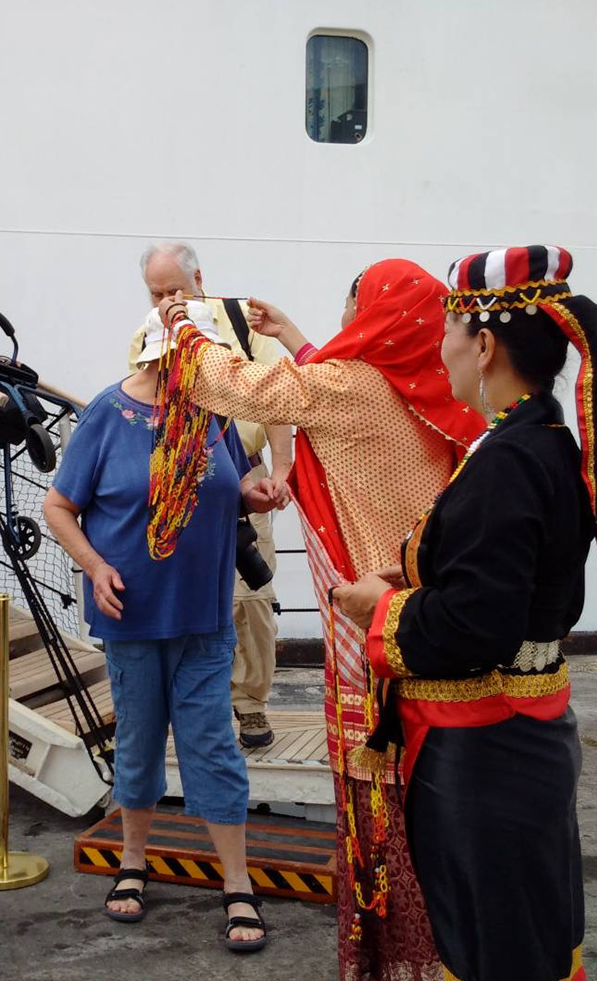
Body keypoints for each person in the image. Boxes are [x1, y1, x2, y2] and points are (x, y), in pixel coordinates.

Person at [158, 260, 484, 980]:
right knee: (433, 789)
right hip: (432, 614)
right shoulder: (432, 390)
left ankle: (397, 948)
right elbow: (339, 393)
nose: (348, 328)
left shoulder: (352, 388)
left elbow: (239, 386)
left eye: (354, 312)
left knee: (382, 793)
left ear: (376, 319)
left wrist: (182, 325)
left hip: (369, 626)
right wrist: (297, 336)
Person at [333, 246, 597, 981]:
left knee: (497, 940)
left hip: (487, 754)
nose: (441, 348)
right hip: (523, 743)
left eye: (448, 332)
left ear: (484, 345)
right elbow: (522, 588)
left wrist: (382, 605)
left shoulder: (508, 461)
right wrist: (425, 567)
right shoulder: (542, 444)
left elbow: (476, 625)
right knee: (525, 924)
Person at [44, 300, 284, 952]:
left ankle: (238, 882)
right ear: (166, 356)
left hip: (204, 613)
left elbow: (233, 482)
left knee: (213, 745)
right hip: (134, 617)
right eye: (201, 361)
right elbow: (58, 506)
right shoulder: (106, 414)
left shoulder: (209, 413)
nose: (211, 374)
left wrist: (254, 492)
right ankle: (132, 862)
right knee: (141, 742)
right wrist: (93, 566)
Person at [129, 242, 293, 748]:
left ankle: (251, 706)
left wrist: (283, 468)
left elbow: (276, 395)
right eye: (156, 292)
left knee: (252, 597)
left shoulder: (241, 323)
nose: (165, 301)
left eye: (174, 289)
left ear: (199, 277)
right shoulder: (148, 334)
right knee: (189, 593)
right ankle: (204, 706)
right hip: (181, 480)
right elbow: (141, 406)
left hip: (246, 478)